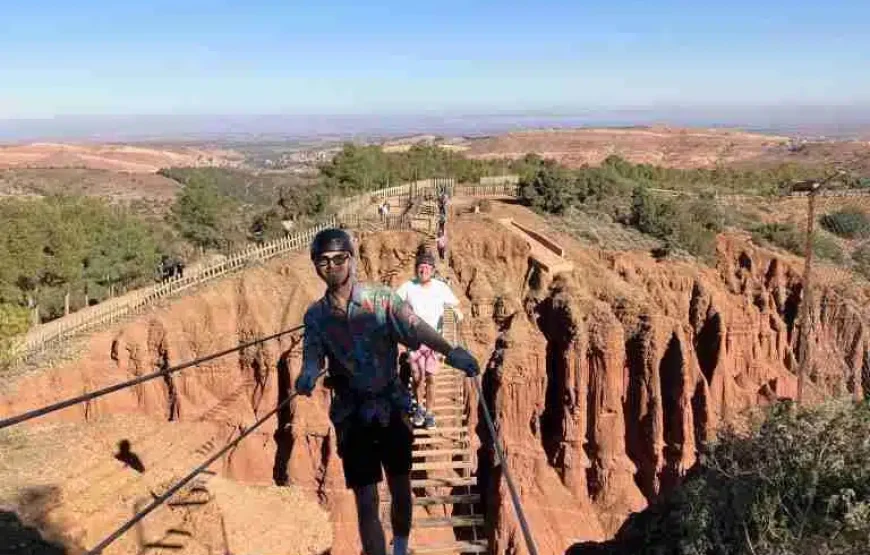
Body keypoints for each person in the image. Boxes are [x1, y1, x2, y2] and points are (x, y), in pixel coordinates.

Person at [294, 229, 480, 555]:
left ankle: (401, 546)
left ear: (350, 260)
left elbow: (415, 327)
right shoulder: (316, 317)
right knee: (366, 499)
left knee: (400, 487)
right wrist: (307, 376)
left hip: (392, 405)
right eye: (323, 261)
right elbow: (312, 357)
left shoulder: (381, 299)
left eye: (339, 258)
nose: (332, 266)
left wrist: (451, 352)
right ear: (315, 265)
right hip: (353, 415)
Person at [396, 250, 463, 428]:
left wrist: (457, 315)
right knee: (417, 376)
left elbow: (454, 304)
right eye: (420, 267)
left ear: (432, 270)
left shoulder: (440, 288)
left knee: (431, 377)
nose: (423, 270)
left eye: (427, 267)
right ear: (416, 269)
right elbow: (394, 302)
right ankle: (420, 407)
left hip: (435, 341)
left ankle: (430, 413)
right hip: (415, 340)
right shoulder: (408, 287)